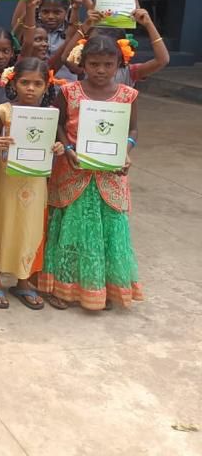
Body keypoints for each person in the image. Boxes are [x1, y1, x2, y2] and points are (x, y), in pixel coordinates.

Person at [39, 35, 142, 311]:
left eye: (108, 65)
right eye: (94, 64)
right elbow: (59, 123)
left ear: (118, 64)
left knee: (107, 232)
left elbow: (132, 129)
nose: (100, 70)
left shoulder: (127, 95)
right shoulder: (69, 92)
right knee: (71, 232)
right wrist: (69, 148)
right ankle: (62, 287)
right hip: (74, 171)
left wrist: (126, 150)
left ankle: (101, 287)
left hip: (109, 174)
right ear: (82, 63)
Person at [0, 58, 62, 309]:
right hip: (6, 180)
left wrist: (56, 147)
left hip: (35, 182)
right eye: (25, 82)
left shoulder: (49, 116)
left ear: (47, 86)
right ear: (14, 83)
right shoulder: (3, 111)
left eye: (37, 83)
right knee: (1, 224)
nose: (31, 89)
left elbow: (54, 143)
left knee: (30, 228)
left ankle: (23, 281)